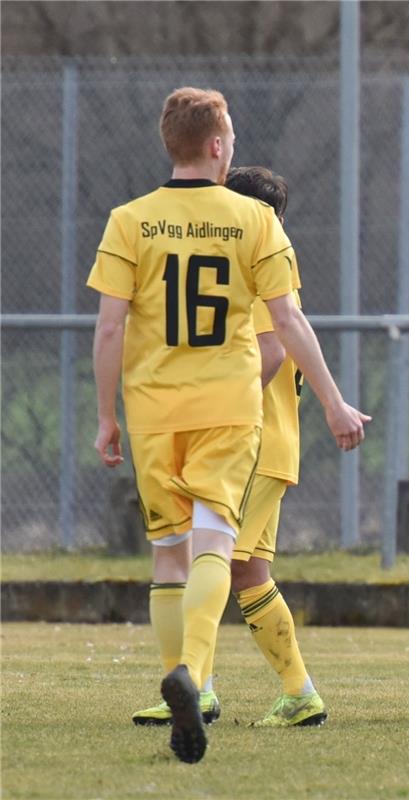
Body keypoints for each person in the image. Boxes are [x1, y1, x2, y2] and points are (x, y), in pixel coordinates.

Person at [89, 87, 369, 763]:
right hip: (228, 407)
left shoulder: (130, 219)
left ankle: (188, 680)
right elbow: (289, 321)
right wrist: (333, 401)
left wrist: (106, 417)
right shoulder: (252, 221)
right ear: (217, 144)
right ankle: (193, 672)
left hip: (155, 408)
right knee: (219, 544)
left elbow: (108, 328)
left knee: (168, 552)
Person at [130, 166, 328, 729]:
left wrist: (207, 398)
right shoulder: (265, 264)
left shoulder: (256, 262)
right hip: (267, 444)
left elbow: (268, 351)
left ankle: (198, 684)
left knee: (205, 559)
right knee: (247, 571)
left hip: (252, 442)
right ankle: (293, 693)